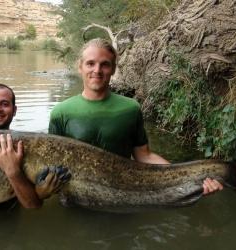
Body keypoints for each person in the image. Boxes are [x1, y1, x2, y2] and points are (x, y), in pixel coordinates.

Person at [48, 38, 223, 195]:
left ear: (114, 69)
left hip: (124, 194)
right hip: (77, 199)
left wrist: (191, 178)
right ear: (80, 67)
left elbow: (144, 156)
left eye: (105, 64)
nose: (97, 70)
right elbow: (52, 166)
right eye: (90, 63)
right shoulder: (61, 113)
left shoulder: (130, 108)